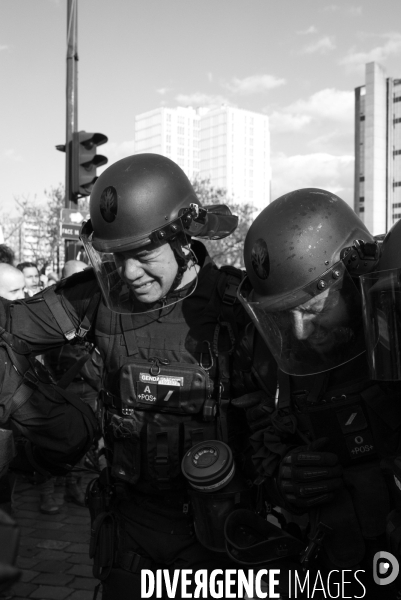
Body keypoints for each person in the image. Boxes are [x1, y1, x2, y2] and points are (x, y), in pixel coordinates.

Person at [0, 154, 265, 599]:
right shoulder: (97, 299)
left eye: (143, 254)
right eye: (117, 257)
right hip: (128, 534)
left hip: (220, 538)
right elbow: (13, 324)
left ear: (183, 239)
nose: (127, 273)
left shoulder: (236, 309)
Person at [237, 188, 401, 598]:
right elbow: (262, 436)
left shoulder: (396, 329)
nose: (299, 332)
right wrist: (284, 476)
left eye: (312, 309)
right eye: (283, 316)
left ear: (352, 273)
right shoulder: (282, 354)